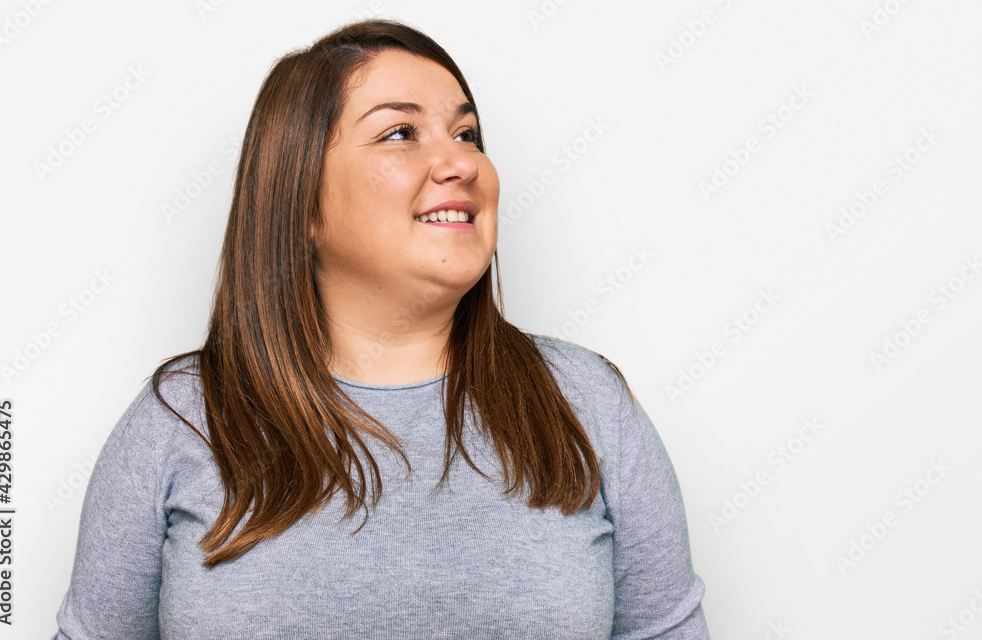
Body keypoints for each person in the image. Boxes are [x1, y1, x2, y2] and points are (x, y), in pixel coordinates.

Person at [52, 18, 710, 639]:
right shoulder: (182, 420)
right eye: (401, 133)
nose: (460, 164)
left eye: (467, 134)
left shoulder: (590, 404)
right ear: (299, 197)